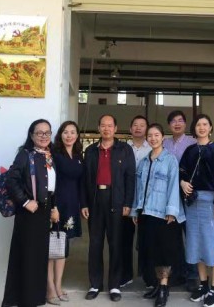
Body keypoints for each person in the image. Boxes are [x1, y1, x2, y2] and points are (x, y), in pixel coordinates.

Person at [80, 114, 136, 302]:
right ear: (98, 128)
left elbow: (130, 178)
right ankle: (95, 284)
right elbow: (84, 179)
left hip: (117, 201)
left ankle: (114, 285)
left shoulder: (125, 150)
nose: (106, 129)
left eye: (110, 125)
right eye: (103, 125)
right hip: (95, 200)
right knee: (95, 244)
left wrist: (128, 203)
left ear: (115, 128)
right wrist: (84, 203)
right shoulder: (91, 151)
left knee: (116, 244)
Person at [2, 119, 58, 307]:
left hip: (44, 211)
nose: (44, 136)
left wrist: (54, 207)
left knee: (39, 256)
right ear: (32, 135)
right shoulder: (25, 155)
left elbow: (51, 186)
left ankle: (36, 298)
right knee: (27, 256)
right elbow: (11, 181)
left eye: (47, 132)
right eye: (39, 132)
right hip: (29, 212)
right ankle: (23, 300)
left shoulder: (49, 155)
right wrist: (25, 202)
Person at [131, 123, 185, 307]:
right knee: (152, 251)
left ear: (163, 137)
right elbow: (138, 188)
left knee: (164, 252)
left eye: (156, 135)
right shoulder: (144, 161)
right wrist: (135, 210)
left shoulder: (170, 160)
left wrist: (171, 211)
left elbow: (173, 186)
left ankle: (163, 287)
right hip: (146, 212)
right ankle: (156, 284)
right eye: (150, 136)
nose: (153, 138)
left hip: (163, 214)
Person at [179, 114, 214, 307]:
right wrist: (183, 183)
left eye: (205, 124)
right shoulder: (190, 150)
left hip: (211, 201)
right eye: (198, 124)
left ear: (210, 128)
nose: (201, 127)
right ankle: (203, 284)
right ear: (194, 128)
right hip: (192, 202)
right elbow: (182, 172)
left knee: (212, 244)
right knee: (195, 243)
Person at [46, 120, 85, 305]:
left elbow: (81, 183)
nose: (69, 135)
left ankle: (58, 286)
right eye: (65, 132)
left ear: (77, 135)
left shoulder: (78, 155)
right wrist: (52, 207)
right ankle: (50, 289)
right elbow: (48, 182)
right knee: (50, 248)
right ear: (60, 134)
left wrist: (82, 205)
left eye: (72, 132)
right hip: (56, 206)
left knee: (62, 248)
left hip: (71, 206)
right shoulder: (53, 154)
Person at [162, 110, 198, 292]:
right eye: (173, 121)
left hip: (187, 195)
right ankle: (178, 273)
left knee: (190, 235)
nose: (177, 124)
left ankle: (192, 275)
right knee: (173, 238)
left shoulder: (193, 143)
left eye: (180, 121)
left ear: (185, 124)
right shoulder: (164, 143)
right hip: (169, 196)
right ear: (169, 125)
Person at [123, 115, 152, 288]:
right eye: (135, 125)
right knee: (124, 239)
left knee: (146, 240)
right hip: (126, 200)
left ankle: (147, 276)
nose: (138, 128)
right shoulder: (123, 148)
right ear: (130, 129)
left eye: (142, 125)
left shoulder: (152, 148)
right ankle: (125, 274)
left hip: (145, 201)